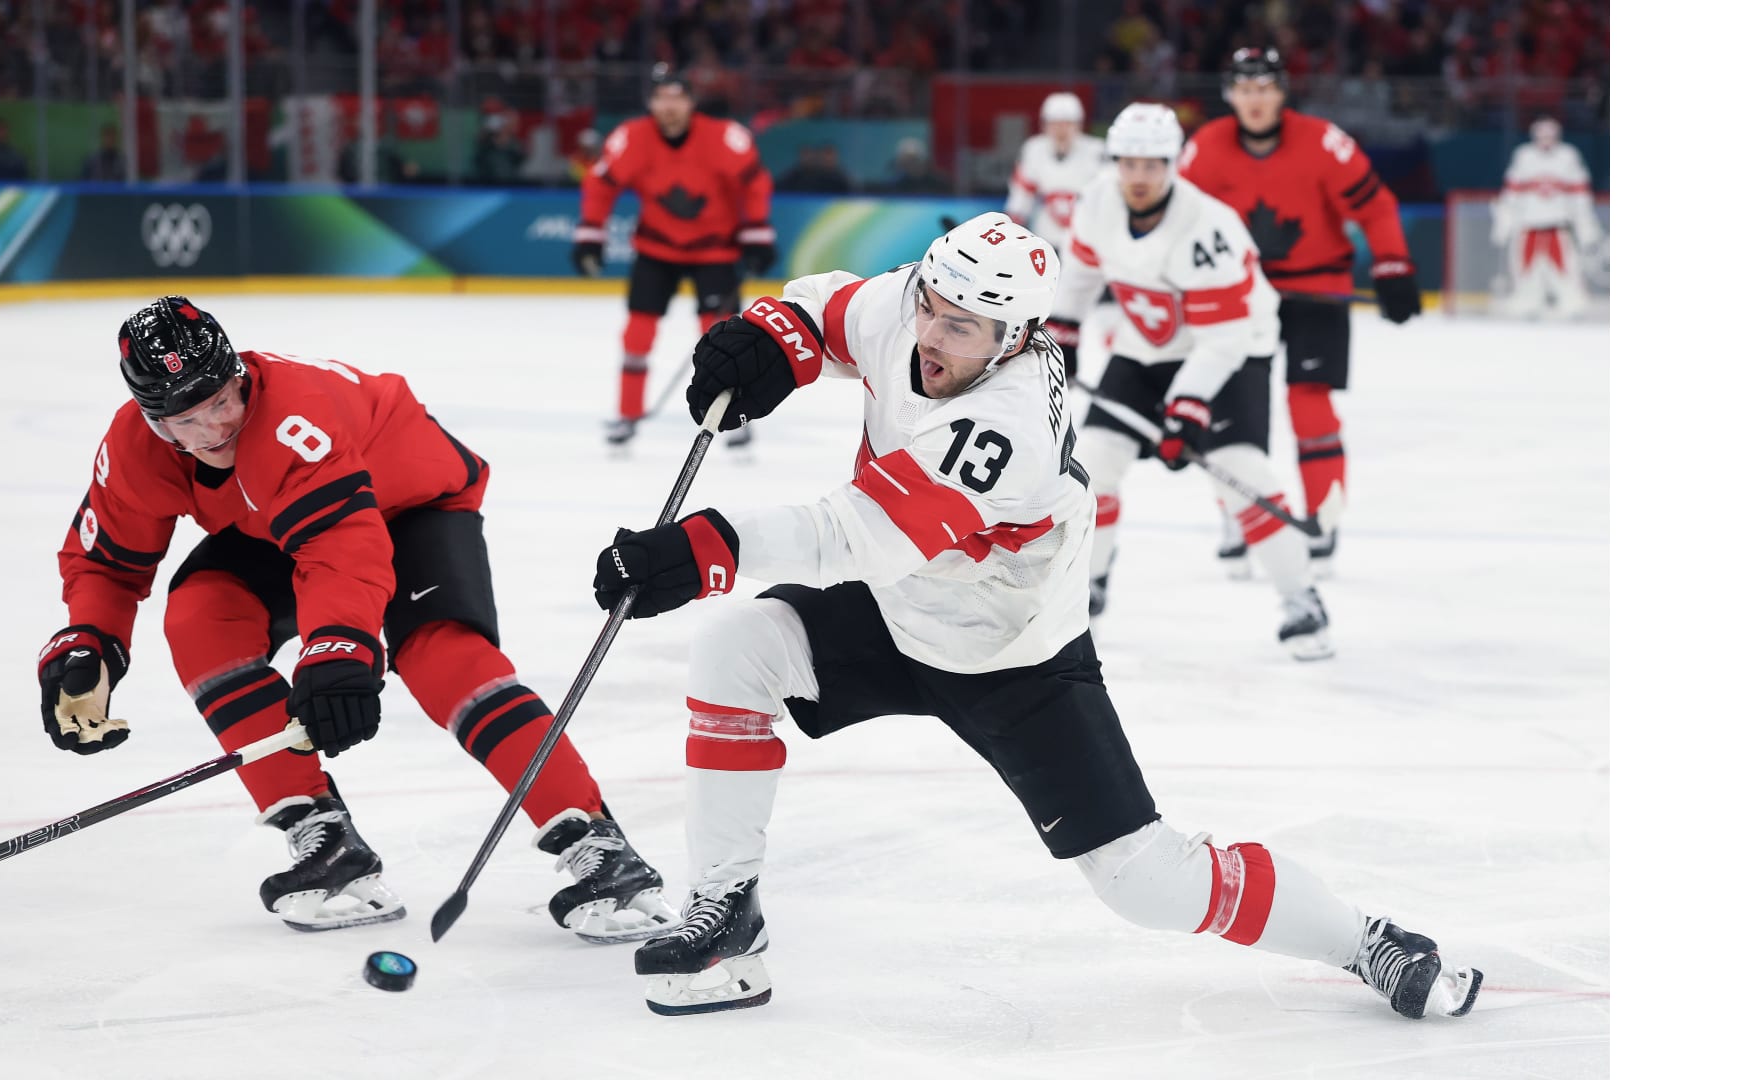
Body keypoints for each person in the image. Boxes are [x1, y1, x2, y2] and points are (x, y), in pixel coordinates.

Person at [586, 215, 1482, 1019]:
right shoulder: (923, 300)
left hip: (1011, 653)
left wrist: (699, 550)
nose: (930, 335)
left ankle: (1363, 939)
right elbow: (829, 310)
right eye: (931, 307)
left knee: (1145, 882)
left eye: (960, 328)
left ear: (1013, 339)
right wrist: (770, 339)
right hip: (900, 606)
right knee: (737, 647)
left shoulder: (1005, 426)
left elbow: (853, 536)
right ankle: (727, 914)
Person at [37, 296, 674, 940]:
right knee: (203, 616)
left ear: (239, 376)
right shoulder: (134, 448)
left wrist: (339, 650)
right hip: (282, 524)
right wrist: (90, 642)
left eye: (222, 401)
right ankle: (321, 835)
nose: (213, 430)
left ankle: (595, 841)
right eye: (186, 421)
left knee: (444, 657)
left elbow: (341, 547)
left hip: (412, 505)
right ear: (153, 421)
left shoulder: (294, 416)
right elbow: (105, 560)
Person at [1045, 106, 1330, 657]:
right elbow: (1078, 279)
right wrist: (1066, 339)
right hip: (1144, 348)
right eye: (1129, 163)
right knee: (1093, 466)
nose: (1140, 176)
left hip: (1235, 348)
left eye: (1153, 164)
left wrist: (1187, 409)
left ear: (1172, 163)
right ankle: (1088, 590)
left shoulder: (1209, 227)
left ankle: (1302, 599)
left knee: (1239, 471)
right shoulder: (1097, 203)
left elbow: (1223, 340)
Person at [1180, 47, 1422, 579]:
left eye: (1265, 88)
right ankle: (1238, 515)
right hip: (1240, 296)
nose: (1256, 100)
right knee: (1230, 406)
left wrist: (1393, 266)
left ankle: (1322, 519)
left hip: (1318, 292)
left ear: (1282, 92)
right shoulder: (1205, 149)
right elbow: (1179, 223)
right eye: (1245, 89)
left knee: (1309, 403)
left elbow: (1376, 205)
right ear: (1230, 95)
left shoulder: (1323, 142)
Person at [572, 64, 776, 448]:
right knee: (637, 333)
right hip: (656, 248)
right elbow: (601, 183)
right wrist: (590, 235)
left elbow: (755, 183)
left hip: (715, 249)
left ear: (691, 102)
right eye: (661, 97)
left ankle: (734, 415)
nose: (669, 106)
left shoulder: (723, 137)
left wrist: (757, 233)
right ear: (650, 102)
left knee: (724, 338)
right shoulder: (631, 137)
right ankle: (628, 414)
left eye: (677, 97)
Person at [1491, 116, 1603, 319]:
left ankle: (1573, 305)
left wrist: (1586, 228)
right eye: (1542, 136)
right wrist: (1503, 224)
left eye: (1550, 136)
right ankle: (1526, 304)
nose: (1546, 141)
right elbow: (1510, 195)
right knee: (1525, 271)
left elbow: (1580, 197)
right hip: (1528, 228)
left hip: (1557, 228)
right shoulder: (1524, 156)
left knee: (1567, 270)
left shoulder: (1568, 156)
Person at [1005, 92, 1107, 269]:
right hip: (1046, 236)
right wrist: (1011, 230)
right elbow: (1021, 195)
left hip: (1086, 238)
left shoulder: (1096, 151)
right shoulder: (1034, 149)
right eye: (1055, 124)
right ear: (1045, 125)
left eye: (1067, 124)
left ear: (1078, 125)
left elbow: (1108, 196)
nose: (1061, 131)